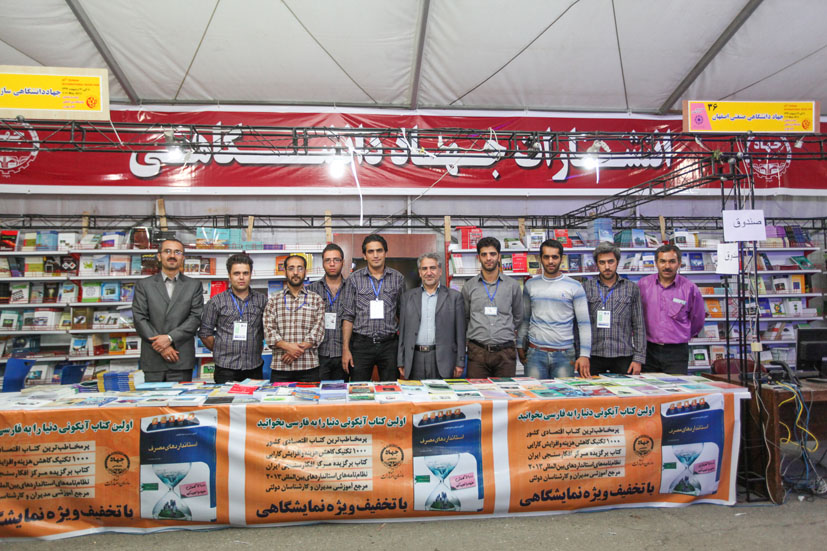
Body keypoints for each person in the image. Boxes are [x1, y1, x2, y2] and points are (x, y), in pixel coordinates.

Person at [517, 239, 591, 378]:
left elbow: (584, 324)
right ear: (540, 258)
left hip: (564, 355)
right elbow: (525, 319)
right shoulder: (530, 285)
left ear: (561, 259)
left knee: (563, 392)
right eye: (546, 257)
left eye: (555, 257)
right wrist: (520, 343)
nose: (550, 261)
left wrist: (585, 355)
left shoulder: (575, 286)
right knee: (534, 392)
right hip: (535, 353)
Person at [133, 238, 203, 382]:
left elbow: (195, 317)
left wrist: (170, 338)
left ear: (183, 258)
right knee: (153, 397)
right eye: (167, 251)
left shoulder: (194, 285)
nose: (172, 255)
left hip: (180, 357)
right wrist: (162, 346)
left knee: (182, 397)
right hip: (153, 358)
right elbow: (140, 318)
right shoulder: (144, 285)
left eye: (177, 252)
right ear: (159, 256)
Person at [341, 234, 405, 382]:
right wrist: (346, 349)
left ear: (385, 253)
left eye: (379, 250)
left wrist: (403, 350)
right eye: (370, 251)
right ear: (364, 255)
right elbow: (348, 316)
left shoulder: (398, 278)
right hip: (361, 345)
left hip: (389, 345)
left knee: (391, 389)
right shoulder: (354, 279)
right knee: (358, 389)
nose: (375, 255)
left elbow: (403, 315)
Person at [198, 254, 267, 383]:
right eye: (236, 273)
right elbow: (205, 333)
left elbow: (265, 331)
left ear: (251, 275)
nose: (241, 277)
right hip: (225, 367)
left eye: (245, 273)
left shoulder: (262, 300)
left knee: (254, 396)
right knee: (224, 396)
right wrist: (220, 349)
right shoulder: (216, 301)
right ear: (229, 275)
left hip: (253, 366)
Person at [638, 244, 705, 374]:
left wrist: (681, 335)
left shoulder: (690, 288)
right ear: (656, 263)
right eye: (662, 261)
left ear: (679, 263)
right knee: (648, 386)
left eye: (672, 261)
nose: (667, 266)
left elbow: (697, 320)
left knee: (677, 385)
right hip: (648, 350)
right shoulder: (643, 285)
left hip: (677, 352)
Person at [462, 236, 523, 378]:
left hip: (505, 353)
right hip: (477, 352)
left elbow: (518, 317)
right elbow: (465, 317)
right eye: (484, 254)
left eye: (492, 254)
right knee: (477, 390)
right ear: (479, 258)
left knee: (506, 391)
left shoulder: (512, 286)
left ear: (499, 257)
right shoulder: (469, 286)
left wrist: (502, 331)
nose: (488, 258)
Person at [397, 253, 466, 380]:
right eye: (424, 269)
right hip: (414, 359)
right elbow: (403, 332)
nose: (429, 273)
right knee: (416, 393)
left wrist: (460, 362)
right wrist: (401, 360)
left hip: (443, 359)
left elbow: (460, 334)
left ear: (440, 271)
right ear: (420, 272)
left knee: (441, 393)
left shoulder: (455, 297)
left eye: (433, 268)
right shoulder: (407, 297)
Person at [583, 242, 646, 375]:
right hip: (593, 355)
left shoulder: (631, 288)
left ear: (617, 261)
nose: (607, 267)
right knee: (592, 388)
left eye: (610, 261)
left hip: (623, 355)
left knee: (627, 389)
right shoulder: (586, 288)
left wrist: (638, 358)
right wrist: (580, 354)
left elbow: (639, 325)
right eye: (602, 262)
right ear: (596, 264)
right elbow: (579, 325)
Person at [263, 254, 325, 382]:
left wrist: (295, 351)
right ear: (285, 271)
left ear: (305, 271)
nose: (295, 272)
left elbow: (318, 331)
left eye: (300, 268)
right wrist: (288, 347)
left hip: (309, 367)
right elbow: (269, 332)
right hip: (281, 367)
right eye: (291, 268)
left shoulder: (316, 299)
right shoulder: (274, 300)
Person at [307, 243, 348, 381]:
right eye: (327, 260)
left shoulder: (352, 288)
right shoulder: (311, 290)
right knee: (317, 392)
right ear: (323, 263)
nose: (332, 264)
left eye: (336, 260)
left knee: (342, 392)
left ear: (343, 262)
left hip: (344, 354)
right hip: (318, 355)